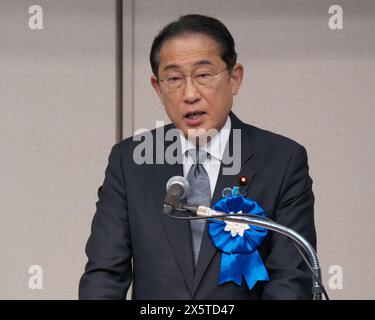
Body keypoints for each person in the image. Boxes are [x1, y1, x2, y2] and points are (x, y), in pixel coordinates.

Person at [79, 14, 316, 300]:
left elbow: (290, 280)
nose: (189, 94)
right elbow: (104, 275)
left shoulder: (281, 160)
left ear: (234, 78)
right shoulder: (129, 162)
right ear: (158, 88)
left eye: (203, 75)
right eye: (174, 79)